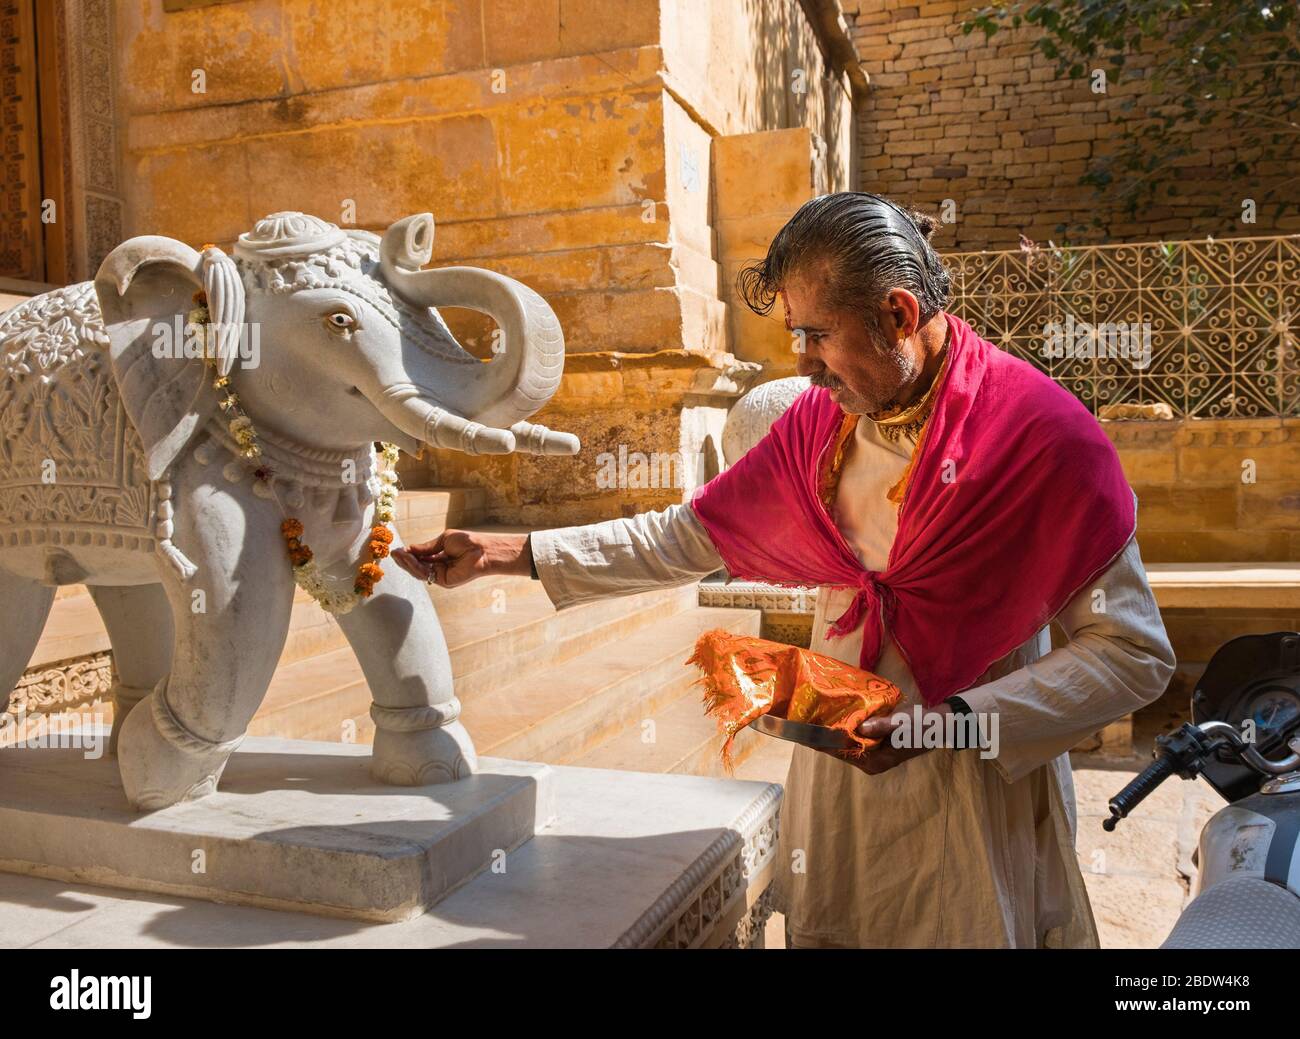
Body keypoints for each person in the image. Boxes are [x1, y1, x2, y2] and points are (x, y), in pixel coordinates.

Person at [393, 192, 1175, 949]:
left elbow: (1132, 654)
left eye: (815, 335)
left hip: (974, 801)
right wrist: (513, 553)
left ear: (899, 315)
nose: (801, 365)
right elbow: (688, 535)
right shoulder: (818, 428)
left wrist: (952, 722)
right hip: (839, 799)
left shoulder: (1044, 439)